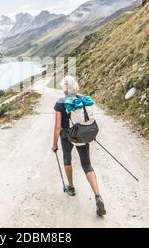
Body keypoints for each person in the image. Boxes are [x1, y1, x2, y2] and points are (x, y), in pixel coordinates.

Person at [52, 75, 106, 217]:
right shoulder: (82, 99)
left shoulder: (60, 103)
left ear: (64, 88)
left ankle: (71, 187)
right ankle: (98, 196)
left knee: (67, 159)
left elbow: (57, 127)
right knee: (87, 165)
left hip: (66, 136)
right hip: (82, 134)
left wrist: (54, 144)